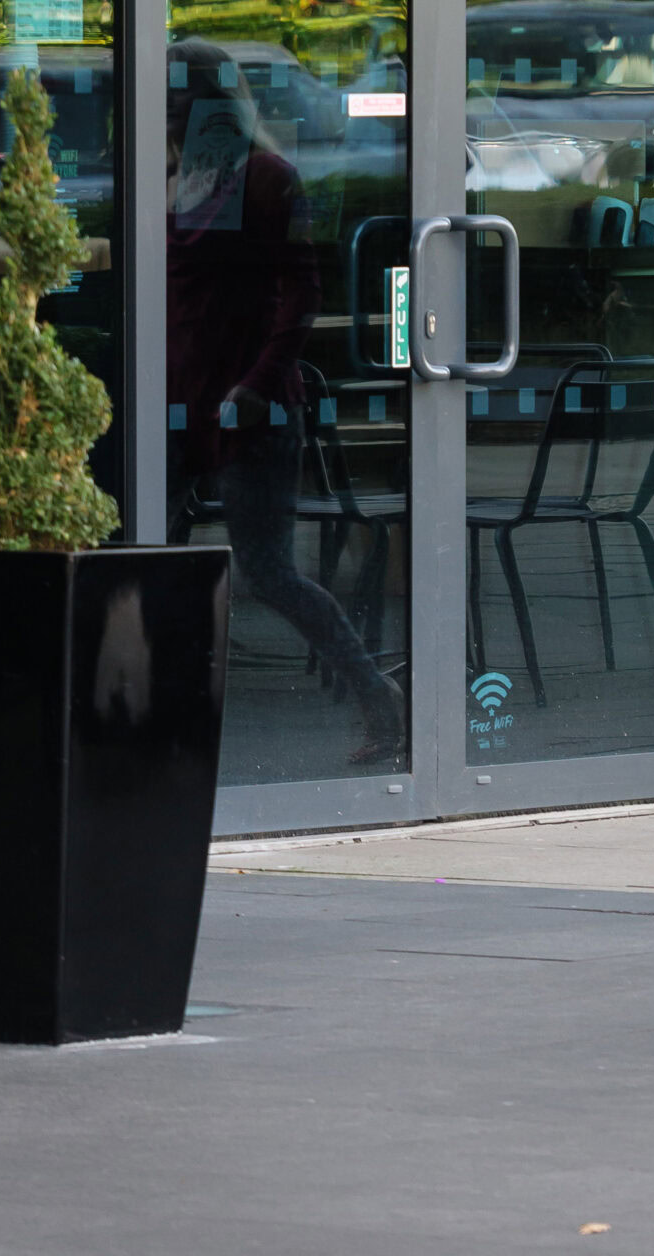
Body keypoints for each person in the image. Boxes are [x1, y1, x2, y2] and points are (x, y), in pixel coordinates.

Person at [165, 38, 405, 765]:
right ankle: (162, 712)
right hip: (180, 404)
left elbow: (303, 297)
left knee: (267, 570)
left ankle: (379, 700)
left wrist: (257, 387)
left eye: (176, 95)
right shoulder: (176, 179)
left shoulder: (266, 177)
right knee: (150, 555)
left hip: (250, 408)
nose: (165, 110)